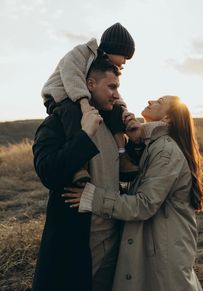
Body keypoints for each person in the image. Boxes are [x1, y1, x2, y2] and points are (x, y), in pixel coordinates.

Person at [64, 96, 203, 291]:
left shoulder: (165, 151)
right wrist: (137, 141)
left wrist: (94, 198)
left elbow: (144, 204)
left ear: (167, 118)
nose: (150, 101)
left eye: (159, 101)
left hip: (164, 257)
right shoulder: (155, 146)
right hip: (158, 248)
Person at [32, 57, 134, 291]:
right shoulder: (57, 123)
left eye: (117, 88)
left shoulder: (111, 126)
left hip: (112, 245)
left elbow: (124, 174)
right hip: (73, 248)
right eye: (111, 87)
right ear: (90, 84)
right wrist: (84, 135)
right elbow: (48, 172)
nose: (117, 95)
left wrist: (135, 140)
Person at [41, 22, 138, 184]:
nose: (125, 61)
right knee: (72, 112)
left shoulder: (103, 68)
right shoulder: (82, 52)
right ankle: (79, 166)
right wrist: (85, 105)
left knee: (115, 111)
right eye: (124, 56)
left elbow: (112, 92)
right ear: (115, 49)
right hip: (60, 95)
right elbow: (72, 77)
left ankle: (122, 155)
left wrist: (122, 110)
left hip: (83, 97)